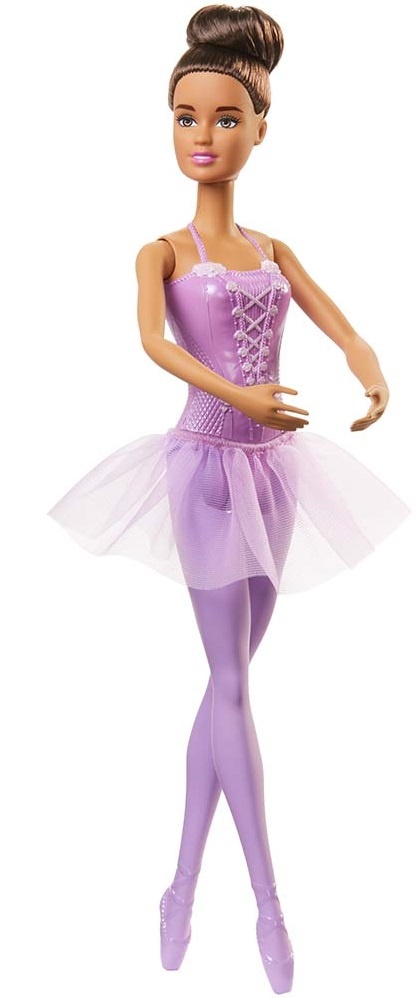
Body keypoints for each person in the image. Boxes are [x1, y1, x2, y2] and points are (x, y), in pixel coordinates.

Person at [47, 5, 410, 993]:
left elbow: (341, 324)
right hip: (207, 466)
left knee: (228, 683)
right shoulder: (161, 251)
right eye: (184, 117)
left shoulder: (274, 249)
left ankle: (176, 887)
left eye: (223, 118)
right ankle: (266, 902)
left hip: (277, 471)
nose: (201, 135)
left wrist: (368, 365)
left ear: (258, 128)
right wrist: (237, 394)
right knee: (234, 683)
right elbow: (152, 342)